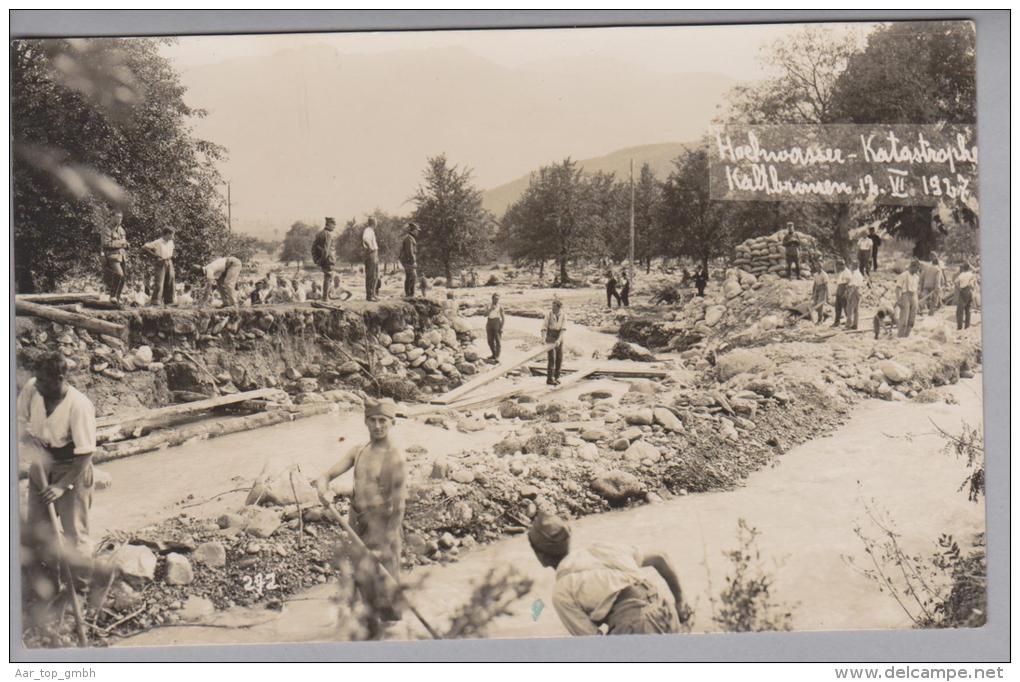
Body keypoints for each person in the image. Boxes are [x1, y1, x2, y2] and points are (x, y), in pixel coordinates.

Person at [315, 398, 406, 637]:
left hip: (383, 528)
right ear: (366, 422)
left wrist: (385, 544)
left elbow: (399, 506)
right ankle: (367, 636)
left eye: (383, 421)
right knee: (362, 579)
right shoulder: (359, 451)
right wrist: (323, 489)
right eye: (373, 420)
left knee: (387, 591)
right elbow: (326, 475)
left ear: (392, 422)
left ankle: (394, 643)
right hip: (356, 522)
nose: (378, 426)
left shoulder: (393, 457)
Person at [17, 352, 98, 596]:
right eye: (37, 379)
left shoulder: (79, 406)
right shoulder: (34, 389)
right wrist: (27, 438)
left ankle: (81, 590)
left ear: (60, 378)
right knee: (38, 527)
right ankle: (49, 584)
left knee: (75, 533)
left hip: (72, 467)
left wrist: (61, 486)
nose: (38, 385)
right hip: (42, 465)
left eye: (43, 381)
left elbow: (85, 455)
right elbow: (17, 420)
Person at [527, 512, 685, 636]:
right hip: (665, 610)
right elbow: (660, 557)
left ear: (540, 556)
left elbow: (593, 643)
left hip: (635, 626)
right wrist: (680, 602)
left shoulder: (562, 591)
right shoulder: (600, 549)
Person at [98, 208, 129, 303]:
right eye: (117, 217)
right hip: (112, 256)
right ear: (112, 217)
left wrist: (127, 245)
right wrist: (122, 243)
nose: (119, 220)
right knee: (119, 274)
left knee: (123, 278)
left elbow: (125, 243)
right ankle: (112, 296)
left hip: (122, 256)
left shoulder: (122, 230)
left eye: (121, 218)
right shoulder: (107, 230)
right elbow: (106, 244)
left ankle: (117, 299)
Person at [143, 226, 176, 306]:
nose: (173, 237)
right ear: (167, 234)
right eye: (172, 235)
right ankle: (156, 301)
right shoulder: (158, 242)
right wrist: (155, 256)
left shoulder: (171, 242)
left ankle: (169, 301)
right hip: (161, 262)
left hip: (169, 261)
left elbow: (172, 250)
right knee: (159, 282)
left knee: (170, 280)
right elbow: (145, 247)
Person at [541, 298, 567, 386]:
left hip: (559, 334)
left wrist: (559, 340)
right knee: (552, 357)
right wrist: (543, 339)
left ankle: (557, 377)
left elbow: (563, 329)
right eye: (552, 307)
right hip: (550, 335)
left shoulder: (563, 315)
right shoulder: (548, 314)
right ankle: (550, 379)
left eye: (555, 307)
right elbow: (544, 327)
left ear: (559, 308)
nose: (553, 309)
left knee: (559, 357)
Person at [311, 217, 338, 301]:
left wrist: (316, 260)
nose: (334, 227)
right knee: (328, 277)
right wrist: (321, 261)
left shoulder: (319, 234)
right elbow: (326, 250)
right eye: (333, 225)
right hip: (328, 259)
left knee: (329, 277)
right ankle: (325, 297)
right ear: (329, 224)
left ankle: (327, 296)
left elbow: (313, 248)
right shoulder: (328, 234)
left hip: (323, 259)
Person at [895, 259, 921, 338]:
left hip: (914, 296)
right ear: (912, 267)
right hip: (905, 296)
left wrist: (917, 302)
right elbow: (898, 288)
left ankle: (906, 336)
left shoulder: (917, 277)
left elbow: (916, 290)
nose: (917, 270)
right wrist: (899, 300)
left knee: (911, 320)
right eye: (917, 268)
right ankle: (900, 336)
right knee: (904, 320)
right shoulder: (903, 275)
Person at [955, 263, 978, 330]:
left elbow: (955, 282)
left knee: (960, 310)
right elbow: (974, 285)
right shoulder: (972, 274)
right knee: (968, 310)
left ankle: (959, 327)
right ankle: (967, 326)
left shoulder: (962, 274)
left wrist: (959, 289)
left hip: (964, 291)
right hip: (970, 292)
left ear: (963, 268)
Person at [362, 217, 380, 302]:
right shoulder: (368, 230)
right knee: (371, 275)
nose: (377, 223)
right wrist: (370, 247)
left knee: (375, 275)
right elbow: (365, 239)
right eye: (376, 222)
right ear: (373, 222)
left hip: (374, 254)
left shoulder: (371, 231)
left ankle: (373, 294)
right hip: (371, 254)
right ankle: (369, 296)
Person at [400, 222, 419, 299]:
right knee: (412, 276)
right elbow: (409, 252)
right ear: (413, 230)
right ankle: (409, 294)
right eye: (416, 230)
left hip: (407, 260)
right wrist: (413, 261)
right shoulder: (409, 238)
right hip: (408, 260)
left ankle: (410, 294)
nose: (417, 232)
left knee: (411, 276)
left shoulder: (409, 238)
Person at [486, 293, 505, 362]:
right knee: (490, 341)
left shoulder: (500, 307)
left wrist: (502, 327)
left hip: (497, 322)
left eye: (498, 299)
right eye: (495, 299)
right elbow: (485, 314)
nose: (496, 300)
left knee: (498, 341)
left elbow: (503, 318)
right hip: (489, 322)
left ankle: (497, 357)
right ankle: (493, 354)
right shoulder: (489, 305)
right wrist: (491, 309)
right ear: (492, 299)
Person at [832, 259, 851, 327]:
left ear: (842, 265)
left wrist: (845, 292)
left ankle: (849, 322)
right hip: (839, 289)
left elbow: (848, 283)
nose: (837, 268)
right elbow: (839, 282)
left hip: (844, 289)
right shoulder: (841, 272)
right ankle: (837, 322)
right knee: (837, 307)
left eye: (838, 266)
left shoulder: (847, 272)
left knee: (846, 307)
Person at [845, 265, 865, 330]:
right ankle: (854, 324)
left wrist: (849, 295)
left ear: (854, 266)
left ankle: (851, 324)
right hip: (857, 290)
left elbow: (854, 286)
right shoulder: (857, 274)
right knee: (855, 309)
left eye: (851, 266)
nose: (850, 267)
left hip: (854, 291)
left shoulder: (856, 274)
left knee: (851, 308)